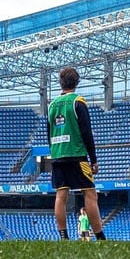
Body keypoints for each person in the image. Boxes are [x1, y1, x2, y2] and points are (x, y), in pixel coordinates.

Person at [45, 67, 106, 240]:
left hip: (57, 155)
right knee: (90, 193)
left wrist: (54, 152)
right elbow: (87, 132)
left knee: (61, 195)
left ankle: (64, 236)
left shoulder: (52, 105)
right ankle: (100, 237)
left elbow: (48, 133)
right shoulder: (78, 101)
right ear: (77, 82)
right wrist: (93, 159)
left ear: (60, 82)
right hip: (77, 154)